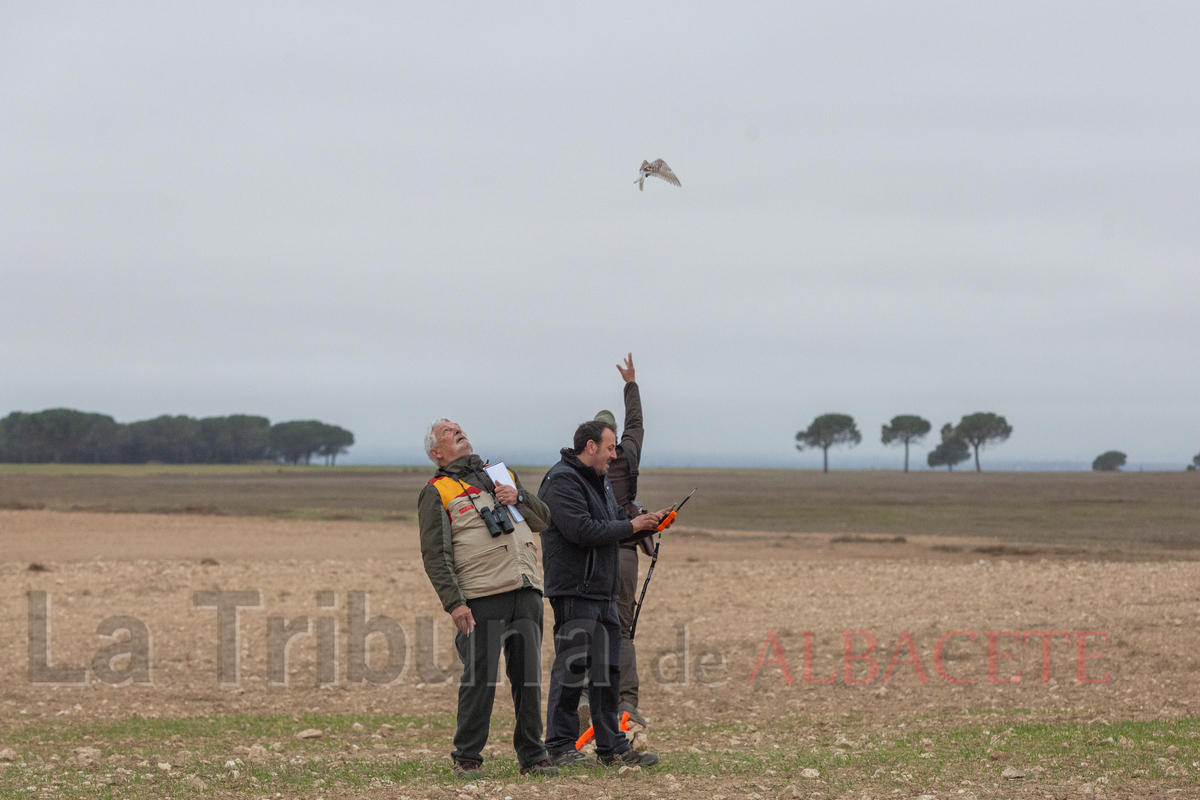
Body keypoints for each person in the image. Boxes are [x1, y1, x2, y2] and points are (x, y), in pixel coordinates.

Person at [417, 418, 560, 779]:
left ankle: (534, 756)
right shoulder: (437, 490)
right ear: (436, 453)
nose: (458, 430)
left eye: (458, 426)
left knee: (529, 679)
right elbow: (436, 554)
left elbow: (544, 520)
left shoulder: (501, 474)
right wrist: (455, 602)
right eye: (448, 431)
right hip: (480, 596)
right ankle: (466, 758)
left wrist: (520, 497)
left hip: (525, 589)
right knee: (480, 679)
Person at [538, 418, 669, 768]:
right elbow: (581, 530)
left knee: (607, 673)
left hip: (603, 592)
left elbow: (610, 529)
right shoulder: (561, 480)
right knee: (571, 669)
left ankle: (613, 747)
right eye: (610, 448)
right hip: (574, 590)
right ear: (591, 446)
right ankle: (561, 747)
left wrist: (646, 523)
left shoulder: (602, 482)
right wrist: (631, 525)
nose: (615, 454)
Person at [584, 353, 649, 730]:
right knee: (621, 627)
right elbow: (637, 423)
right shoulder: (628, 454)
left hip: (591, 553)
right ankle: (627, 702)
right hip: (624, 551)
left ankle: (582, 697)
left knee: (585, 623)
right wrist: (631, 384)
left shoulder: (582, 465)